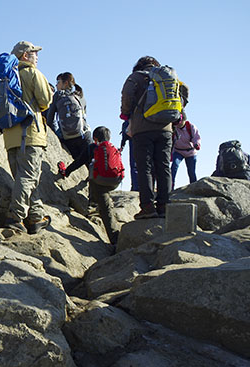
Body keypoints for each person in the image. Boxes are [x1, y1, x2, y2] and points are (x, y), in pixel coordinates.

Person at [0, 41, 53, 234]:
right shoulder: (31, 73)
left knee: (26, 178)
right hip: (31, 135)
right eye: (34, 53)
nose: (37, 56)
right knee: (28, 178)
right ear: (25, 56)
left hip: (10, 138)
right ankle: (15, 217)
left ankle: (36, 217)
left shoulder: (3, 77)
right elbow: (45, 101)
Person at [120, 56, 174, 219]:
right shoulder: (166, 77)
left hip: (142, 128)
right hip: (165, 128)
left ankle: (148, 207)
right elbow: (178, 97)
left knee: (145, 167)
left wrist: (125, 113)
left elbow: (127, 95)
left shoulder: (135, 77)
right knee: (164, 166)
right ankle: (164, 206)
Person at [57, 126, 122, 244]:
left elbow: (78, 162)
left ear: (95, 138)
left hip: (100, 182)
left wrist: (65, 172)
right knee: (100, 187)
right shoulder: (112, 148)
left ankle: (115, 239)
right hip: (115, 181)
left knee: (105, 208)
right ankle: (94, 203)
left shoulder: (93, 148)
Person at [46, 72, 91, 160]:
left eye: (58, 82)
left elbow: (50, 118)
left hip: (67, 137)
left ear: (65, 83)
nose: (56, 85)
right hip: (83, 135)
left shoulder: (58, 95)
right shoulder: (80, 96)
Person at [171, 112, 201, 189]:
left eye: (179, 121)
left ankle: (194, 188)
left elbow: (196, 137)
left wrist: (196, 144)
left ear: (184, 120)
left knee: (191, 171)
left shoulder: (191, 127)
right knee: (174, 167)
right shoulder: (174, 128)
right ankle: (170, 187)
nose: (177, 124)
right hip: (178, 151)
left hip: (190, 152)